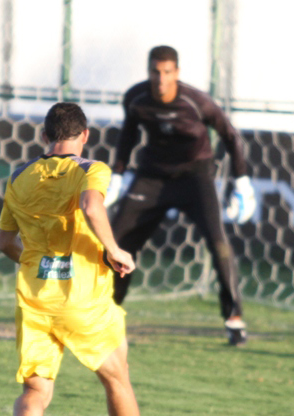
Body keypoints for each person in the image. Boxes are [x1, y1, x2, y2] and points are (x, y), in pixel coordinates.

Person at [0, 102, 178, 416]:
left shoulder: (18, 176)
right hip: (81, 299)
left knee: (37, 390)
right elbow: (91, 206)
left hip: (34, 297)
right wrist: (113, 249)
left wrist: (34, 262)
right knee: (116, 376)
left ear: (45, 136)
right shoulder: (91, 169)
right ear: (84, 137)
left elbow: (5, 242)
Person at [109, 45, 256, 346]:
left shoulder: (197, 101)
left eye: (166, 72)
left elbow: (230, 135)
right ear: (148, 71)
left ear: (176, 73)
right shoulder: (136, 99)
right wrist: (117, 174)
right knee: (118, 244)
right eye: (155, 72)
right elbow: (128, 135)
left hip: (195, 178)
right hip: (151, 177)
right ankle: (107, 313)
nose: (160, 79)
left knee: (218, 243)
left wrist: (241, 181)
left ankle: (234, 318)